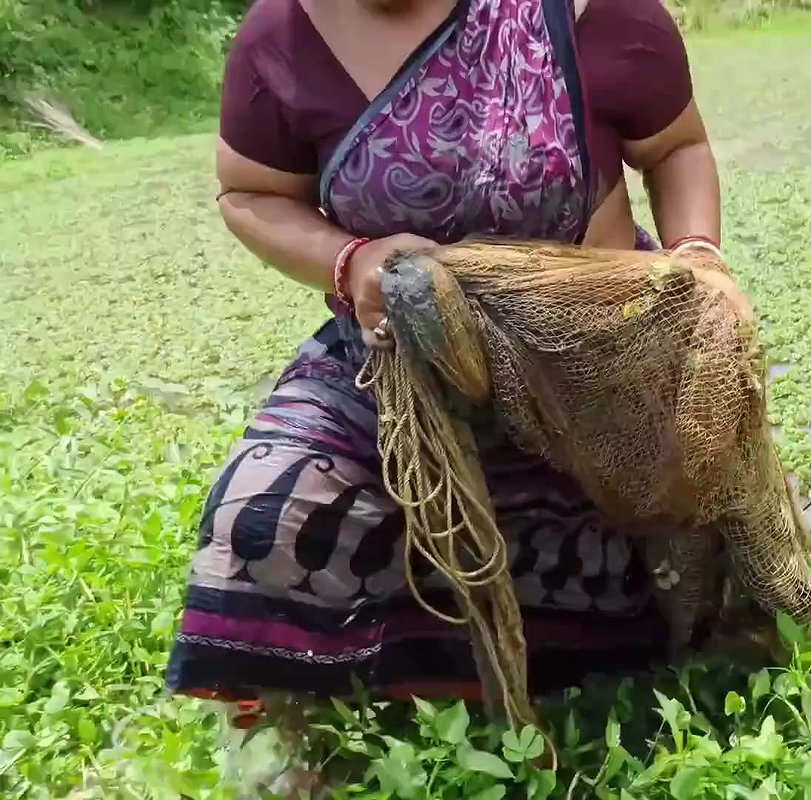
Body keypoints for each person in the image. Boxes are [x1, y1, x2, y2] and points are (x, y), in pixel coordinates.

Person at [164, 0, 722, 786]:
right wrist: (348, 261)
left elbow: (676, 145)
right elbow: (250, 192)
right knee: (263, 515)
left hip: (590, 348)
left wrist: (696, 259)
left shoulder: (596, 11)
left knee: (686, 527)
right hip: (395, 364)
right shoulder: (282, 35)